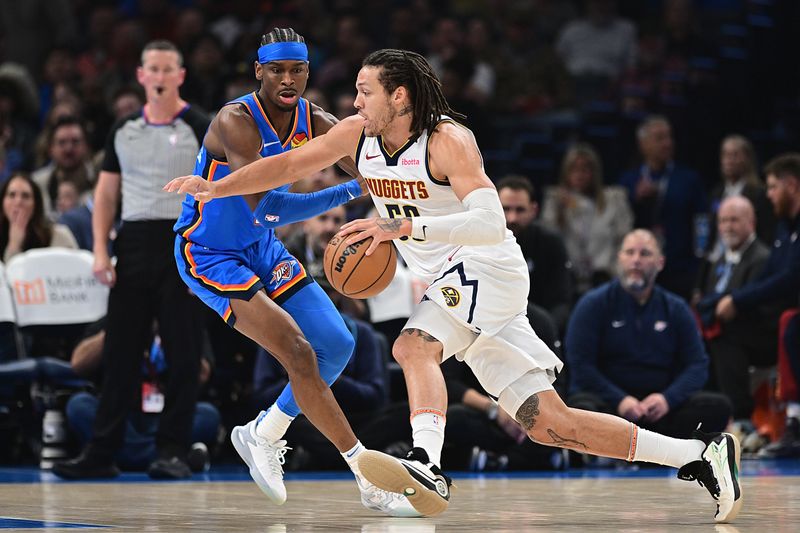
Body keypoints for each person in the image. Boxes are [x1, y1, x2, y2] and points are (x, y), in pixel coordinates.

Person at [165, 49, 743, 523]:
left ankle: (425, 463)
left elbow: (493, 223)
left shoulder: (449, 141)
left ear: (399, 97)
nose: (354, 101)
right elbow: (286, 169)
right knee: (550, 425)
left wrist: (403, 225)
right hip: (454, 284)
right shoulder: (356, 136)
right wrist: (217, 189)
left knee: (411, 347)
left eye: (365, 91)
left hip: (488, 267)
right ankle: (700, 455)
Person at [167, 28, 416, 516]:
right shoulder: (235, 120)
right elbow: (268, 207)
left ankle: (265, 432)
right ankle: (366, 475)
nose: (287, 78)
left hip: (260, 248)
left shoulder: (317, 119)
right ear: (258, 71)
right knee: (299, 353)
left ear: (307, 72)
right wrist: (349, 195)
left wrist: (403, 206)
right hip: (209, 251)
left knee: (338, 344)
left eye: (297, 70)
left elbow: (373, 173)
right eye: (276, 69)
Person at [53, 40, 210, 481]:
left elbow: (221, 189)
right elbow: (105, 194)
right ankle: (102, 452)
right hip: (135, 240)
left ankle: (172, 450)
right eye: (152, 70)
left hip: (184, 241)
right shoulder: (123, 128)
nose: (159, 77)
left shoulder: (201, 125)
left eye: (167, 69)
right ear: (141, 76)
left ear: (180, 75)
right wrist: (101, 250)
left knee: (183, 352)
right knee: (120, 351)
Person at [566, 230, 731, 442]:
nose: (636, 260)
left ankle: (657, 447)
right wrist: (621, 400)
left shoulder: (676, 308)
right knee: (581, 408)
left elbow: (698, 365)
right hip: (611, 406)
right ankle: (614, 449)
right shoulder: (592, 304)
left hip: (661, 408)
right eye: (630, 253)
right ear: (619, 259)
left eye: (645, 254)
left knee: (717, 406)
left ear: (660, 262)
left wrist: (667, 399)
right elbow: (580, 366)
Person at [715, 153, 800, 458]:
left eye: (774, 186)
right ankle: (741, 421)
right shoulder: (783, 228)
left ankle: (794, 424)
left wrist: (737, 299)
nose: (769, 194)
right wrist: (721, 302)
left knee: (792, 327)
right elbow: (769, 276)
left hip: (790, 317)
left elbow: (790, 279)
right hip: (781, 319)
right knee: (724, 333)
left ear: (792, 185)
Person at [694, 197, 775, 422]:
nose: (727, 226)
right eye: (723, 221)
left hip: (761, 334)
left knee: (724, 336)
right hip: (727, 329)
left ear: (751, 222)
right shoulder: (719, 260)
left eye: (734, 220)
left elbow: (744, 305)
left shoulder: (761, 257)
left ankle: (740, 416)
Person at [619, 115, 708, 300]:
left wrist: (699, 266)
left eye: (669, 137)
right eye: (659, 138)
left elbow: (702, 224)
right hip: (640, 268)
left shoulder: (689, 179)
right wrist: (635, 199)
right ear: (642, 144)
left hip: (681, 269)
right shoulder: (628, 181)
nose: (667, 143)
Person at [541, 143, 633, 295]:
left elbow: (624, 240)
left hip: (605, 279)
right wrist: (560, 211)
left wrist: (616, 273)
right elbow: (549, 242)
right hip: (568, 281)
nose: (579, 174)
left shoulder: (614, 200)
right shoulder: (555, 201)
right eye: (574, 169)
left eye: (585, 169)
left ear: (595, 172)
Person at [496, 175, 573, 332]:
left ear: (534, 210)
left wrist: (543, 332)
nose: (512, 218)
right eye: (506, 209)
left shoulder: (551, 243)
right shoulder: (477, 243)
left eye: (520, 210)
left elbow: (561, 303)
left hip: (537, 329)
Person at [0, 172, 77, 263]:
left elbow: (74, 272)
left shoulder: (59, 235)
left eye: (25, 196)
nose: (18, 201)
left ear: (36, 204)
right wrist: (14, 246)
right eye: (12, 195)